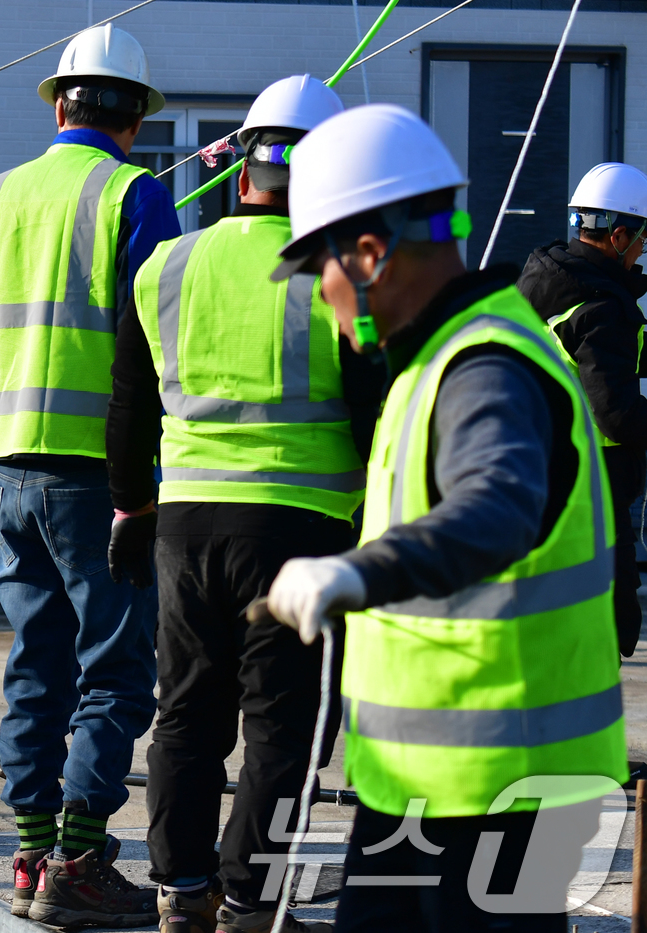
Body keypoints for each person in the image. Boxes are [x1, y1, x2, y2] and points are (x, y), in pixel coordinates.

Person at [265, 104, 626, 932]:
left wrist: (355, 571)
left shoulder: (483, 367)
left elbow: (494, 510)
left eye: (316, 263)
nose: (319, 295)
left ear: (367, 252)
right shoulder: (438, 360)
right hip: (430, 784)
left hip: (500, 791)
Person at [0, 22, 177, 929]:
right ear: (134, 117)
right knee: (117, 668)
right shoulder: (136, 197)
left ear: (59, 103)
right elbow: (168, 350)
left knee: (37, 665)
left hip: (7, 469)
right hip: (103, 478)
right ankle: (82, 858)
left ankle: (29, 852)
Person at [107, 74, 377, 933]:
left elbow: (128, 407)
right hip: (302, 529)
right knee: (284, 729)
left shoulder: (168, 265)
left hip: (185, 526)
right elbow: (378, 412)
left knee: (185, 713)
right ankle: (252, 905)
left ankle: (182, 896)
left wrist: (131, 511)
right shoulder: (343, 276)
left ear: (240, 169)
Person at [517, 161, 647, 658]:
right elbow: (616, 412)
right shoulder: (601, 306)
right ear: (618, 237)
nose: (641, 254)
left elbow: (596, 354)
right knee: (605, 621)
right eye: (640, 241)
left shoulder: (548, 283)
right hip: (589, 484)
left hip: (537, 470)